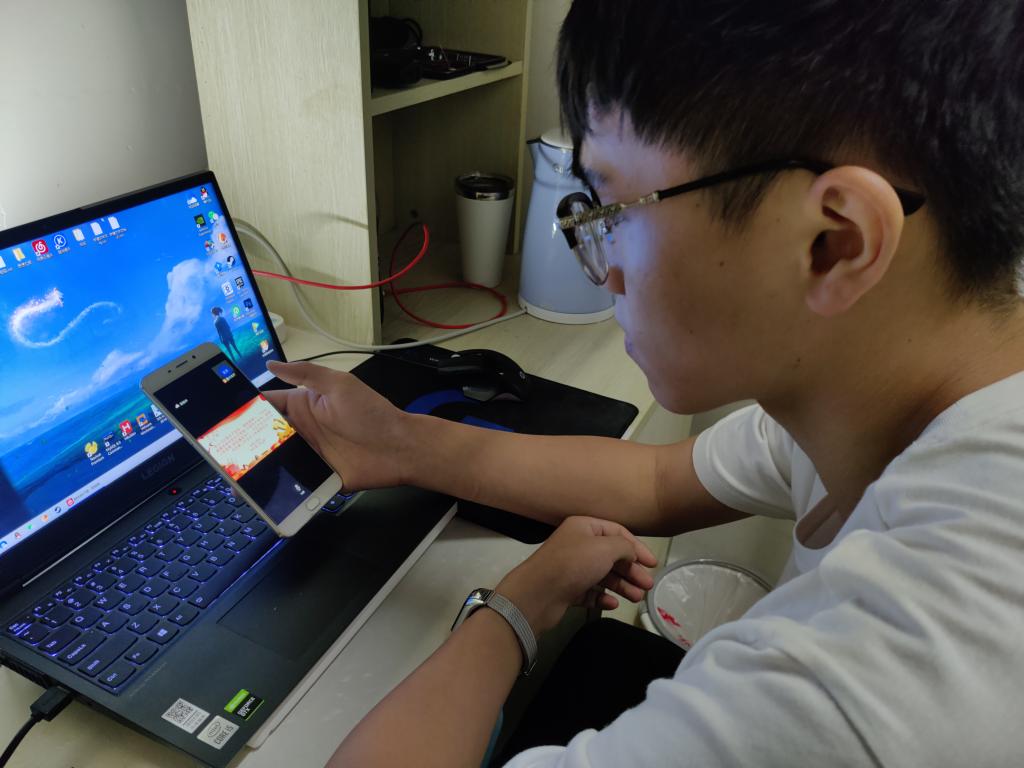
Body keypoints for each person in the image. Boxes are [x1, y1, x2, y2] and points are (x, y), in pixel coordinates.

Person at [264, 1, 1024, 765]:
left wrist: (515, 606)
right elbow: (658, 481)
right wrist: (400, 441)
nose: (606, 268)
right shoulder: (899, 394)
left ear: (834, 242)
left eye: (614, 208)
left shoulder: (879, 679)